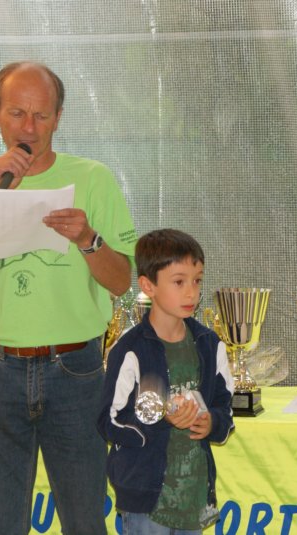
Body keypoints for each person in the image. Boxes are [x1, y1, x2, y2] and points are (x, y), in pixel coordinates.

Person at [0, 61, 137, 535]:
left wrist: (88, 239)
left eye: (41, 115)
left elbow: (121, 281)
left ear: (59, 117)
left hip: (76, 371)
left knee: (85, 520)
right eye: (16, 113)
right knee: (2, 523)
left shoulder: (93, 178)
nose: (28, 128)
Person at [98, 228, 234, 535]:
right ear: (148, 285)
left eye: (197, 280)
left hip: (193, 495)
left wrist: (211, 422)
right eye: (179, 282)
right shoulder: (130, 350)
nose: (191, 293)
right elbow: (109, 421)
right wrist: (162, 418)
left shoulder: (209, 344)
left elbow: (225, 409)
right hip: (145, 500)